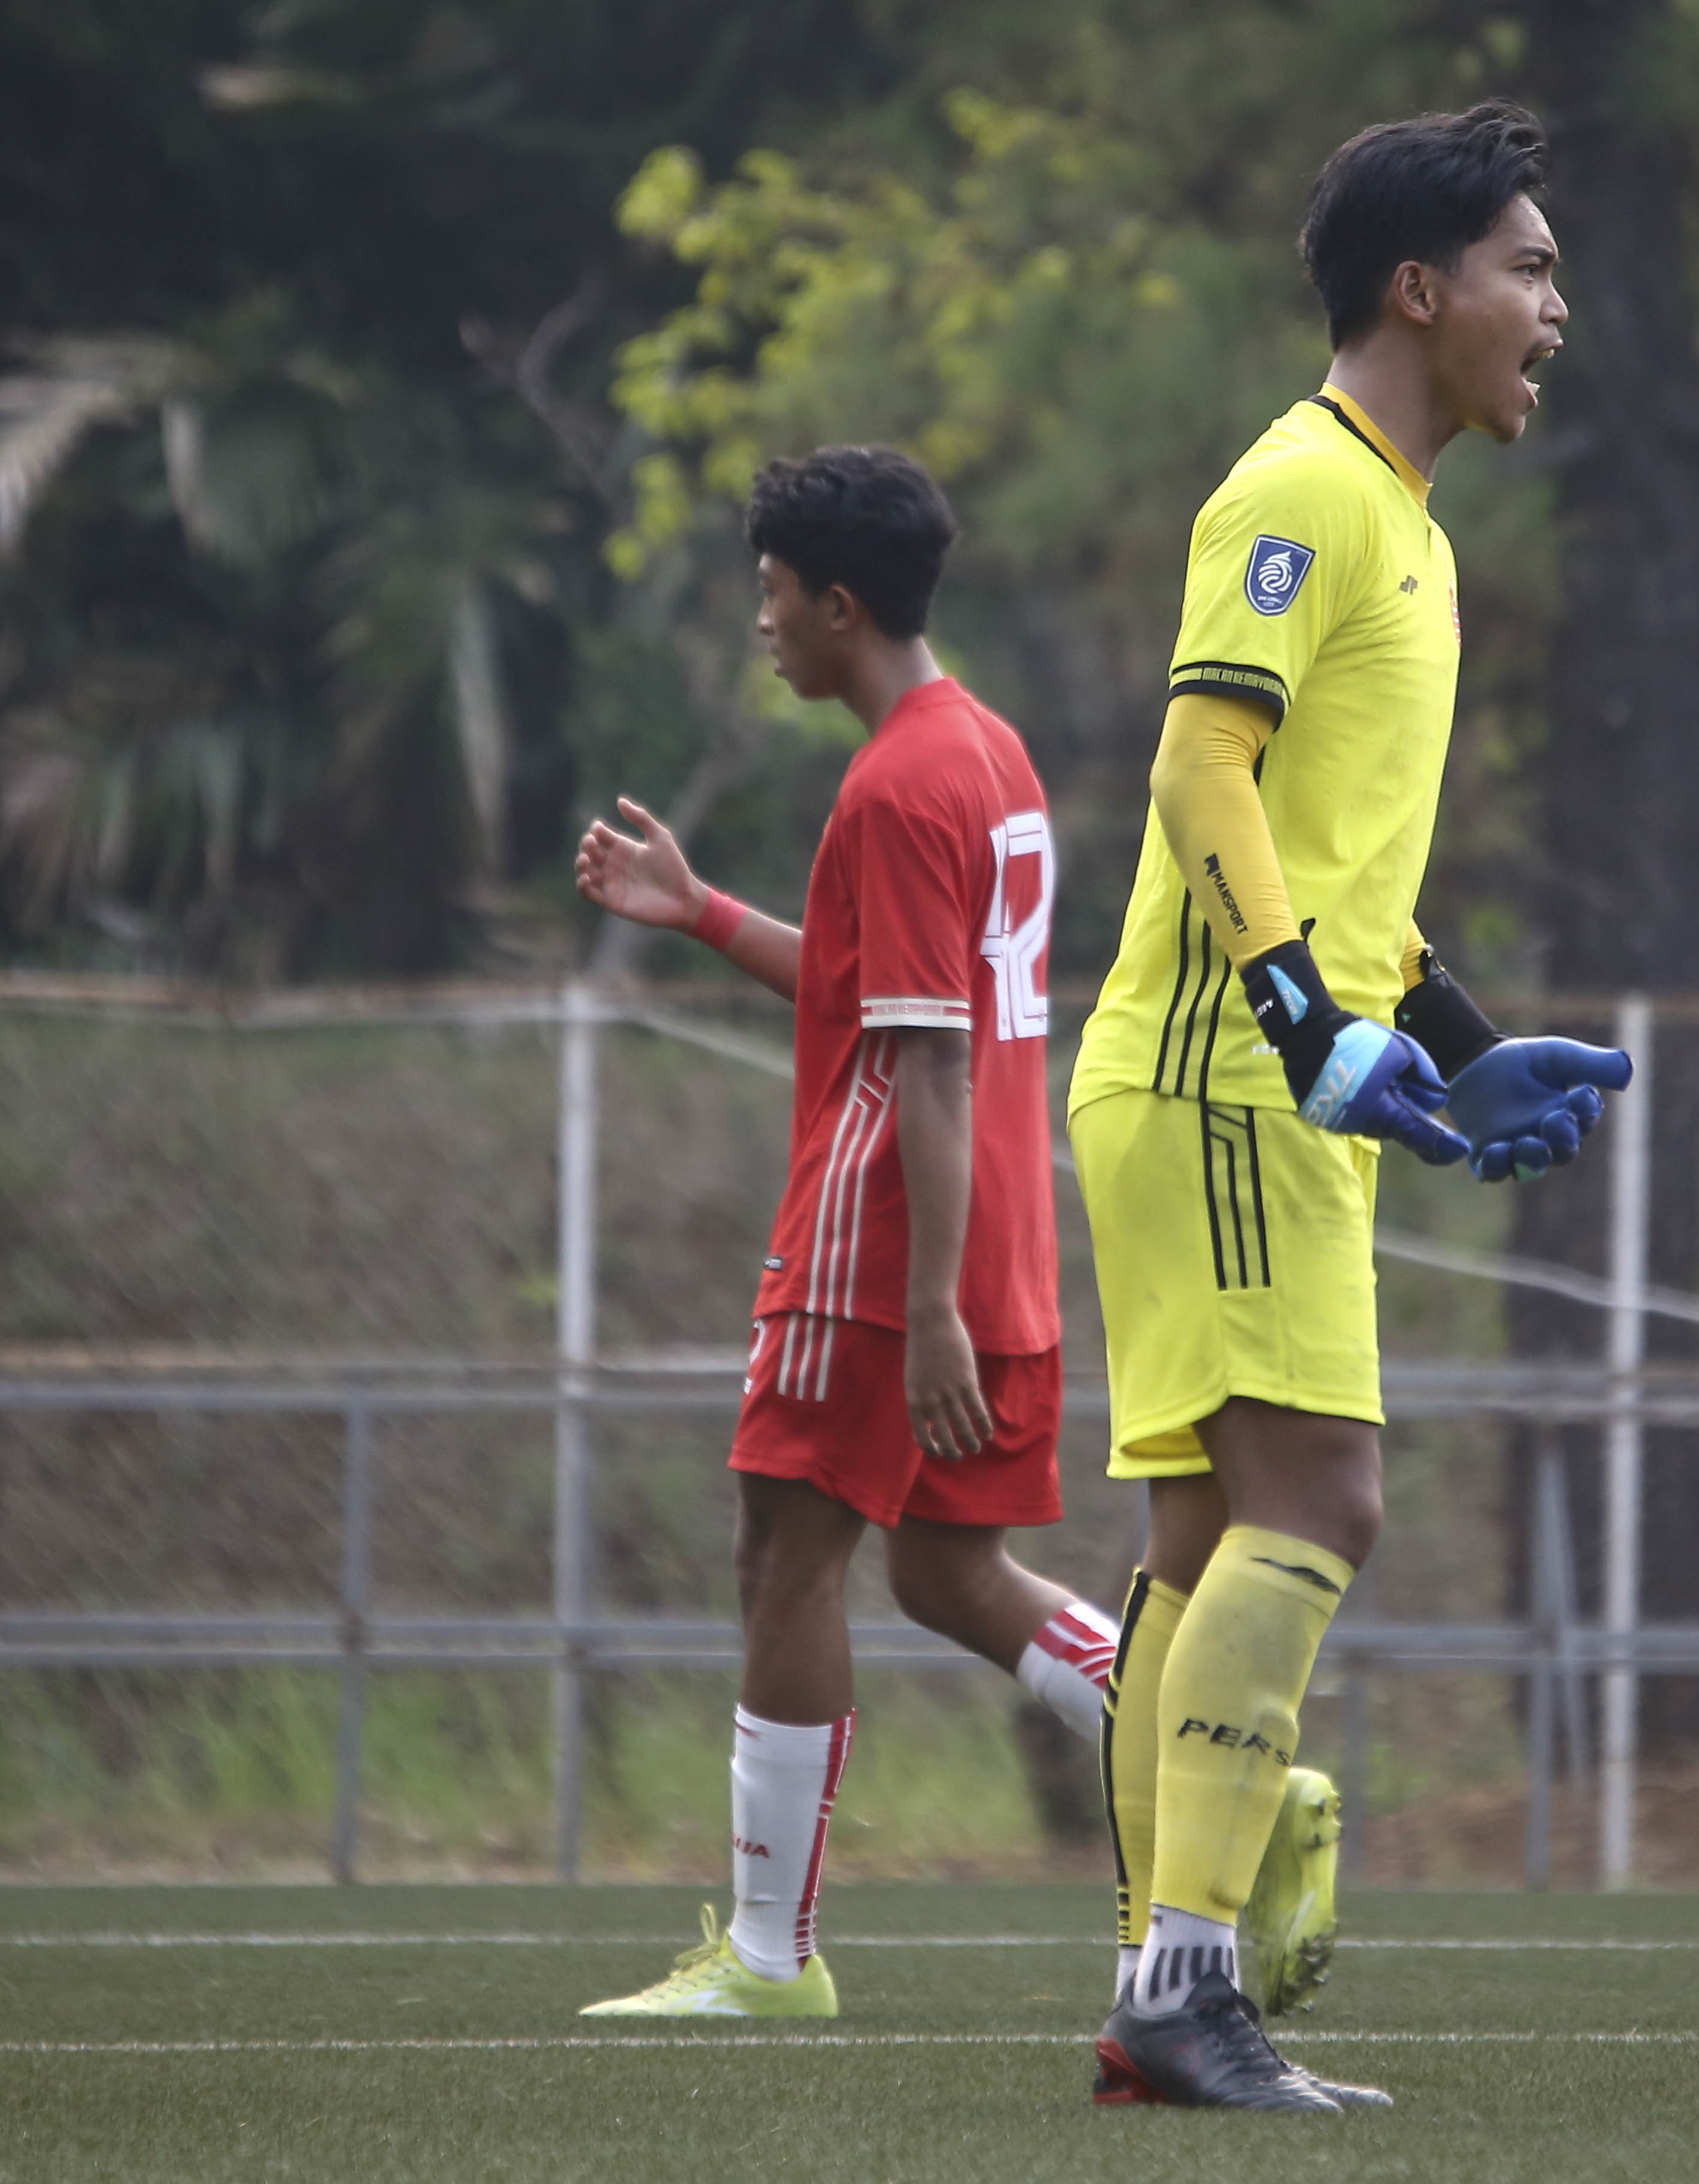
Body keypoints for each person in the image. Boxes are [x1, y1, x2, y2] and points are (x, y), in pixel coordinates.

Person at [1070, 102, 1634, 2112]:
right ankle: (1181, 1985)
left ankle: (1160, 1984)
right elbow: (1200, 776)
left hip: (1223, 1070)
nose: (1555, 309)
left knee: (1206, 1534)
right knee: (1321, 1508)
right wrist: (1307, 1025)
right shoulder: (1299, 488)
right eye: (1530, 270)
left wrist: (1459, 1039)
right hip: (1228, 1075)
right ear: (1424, 289)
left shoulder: (1410, 515)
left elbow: (1333, 846)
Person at [572, 446, 1113, 2020]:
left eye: (773, 597)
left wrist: (927, 1305)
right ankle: (1217, 1753)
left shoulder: (896, 783)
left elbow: (923, 1059)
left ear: (841, 603)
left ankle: (765, 1959)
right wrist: (706, 913)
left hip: (888, 1240)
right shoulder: (986, 753)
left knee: (783, 1556)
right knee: (948, 1572)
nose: (764, 626)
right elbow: (896, 991)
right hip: (991, 1219)